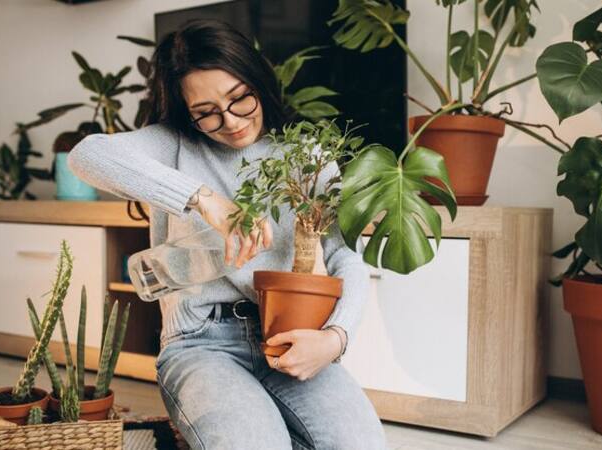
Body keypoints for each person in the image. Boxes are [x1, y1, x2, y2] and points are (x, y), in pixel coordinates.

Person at [67, 19, 386, 450]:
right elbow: (86, 156)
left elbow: (345, 255)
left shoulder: (306, 155)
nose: (231, 122)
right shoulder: (173, 144)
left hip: (291, 335)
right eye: (207, 113)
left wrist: (335, 338)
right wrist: (203, 199)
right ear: (186, 112)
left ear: (257, 80)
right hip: (200, 343)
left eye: (240, 99)